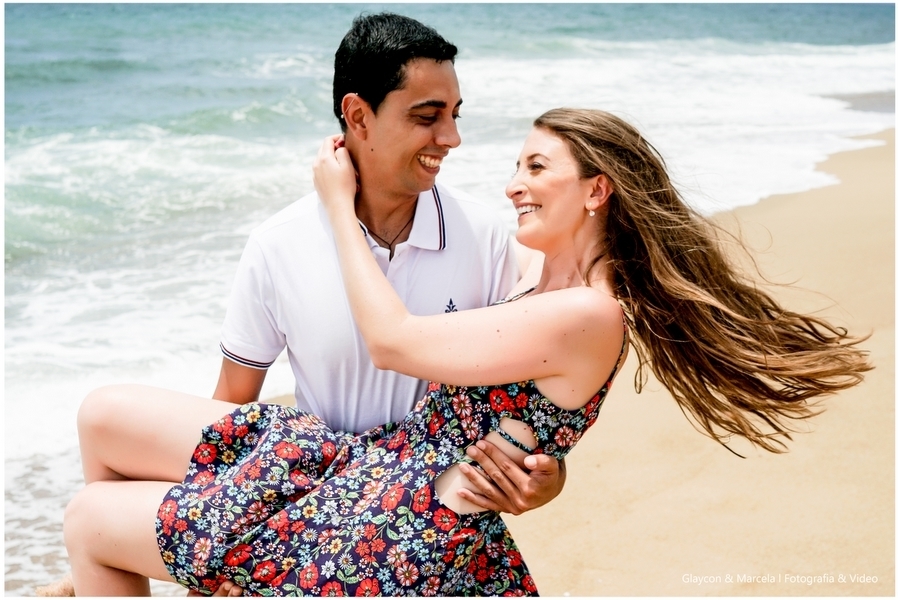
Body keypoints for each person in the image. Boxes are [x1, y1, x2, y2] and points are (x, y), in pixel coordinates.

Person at [63, 107, 871, 595]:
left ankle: (128, 574)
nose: (514, 182)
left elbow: (395, 341)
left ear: (596, 191)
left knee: (89, 519)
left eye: (536, 167)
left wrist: (336, 206)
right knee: (102, 416)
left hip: (397, 523)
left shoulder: (588, 313)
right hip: (371, 463)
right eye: (516, 164)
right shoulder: (531, 269)